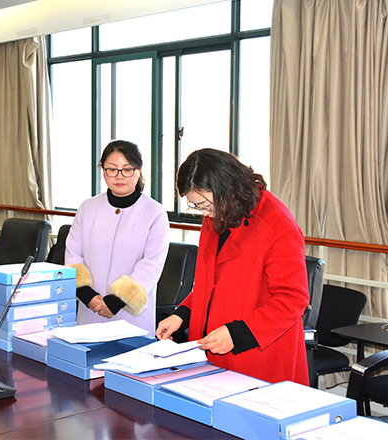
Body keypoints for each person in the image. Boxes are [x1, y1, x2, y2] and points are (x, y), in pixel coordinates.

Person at [156, 148, 309, 385]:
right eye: (196, 206)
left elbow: (292, 299)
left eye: (206, 205)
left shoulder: (277, 224)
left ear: (227, 188)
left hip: (258, 355)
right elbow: (211, 283)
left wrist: (238, 334)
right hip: (213, 351)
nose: (205, 214)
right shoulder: (218, 212)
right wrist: (182, 314)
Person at [65, 140, 169, 336]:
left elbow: (152, 264)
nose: (119, 176)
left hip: (129, 315)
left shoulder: (154, 212)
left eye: (127, 169)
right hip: (90, 310)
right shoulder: (88, 208)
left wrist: (116, 300)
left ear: (139, 171)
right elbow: (73, 254)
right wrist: (87, 294)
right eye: (112, 169)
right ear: (103, 171)